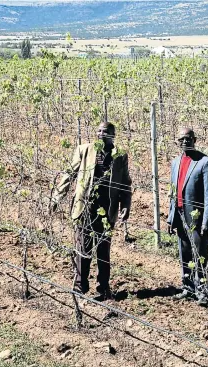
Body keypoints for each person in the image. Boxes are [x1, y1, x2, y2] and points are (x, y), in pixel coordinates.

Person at [51, 122, 132, 301]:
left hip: (107, 210)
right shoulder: (84, 150)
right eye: (99, 130)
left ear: (113, 135)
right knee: (83, 248)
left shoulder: (120, 156)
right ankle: (81, 286)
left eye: (107, 131)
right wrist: (57, 196)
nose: (102, 134)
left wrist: (125, 205)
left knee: (103, 251)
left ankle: (103, 288)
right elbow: (69, 174)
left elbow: (125, 183)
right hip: (85, 207)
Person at [167, 128, 208, 305]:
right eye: (181, 139)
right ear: (177, 142)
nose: (185, 142)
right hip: (180, 215)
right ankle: (188, 287)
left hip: (197, 218)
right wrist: (170, 216)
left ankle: (202, 291)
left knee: (200, 254)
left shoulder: (205, 162)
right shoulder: (175, 163)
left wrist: (206, 221)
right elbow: (173, 192)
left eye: (188, 138)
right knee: (185, 252)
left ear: (195, 139)